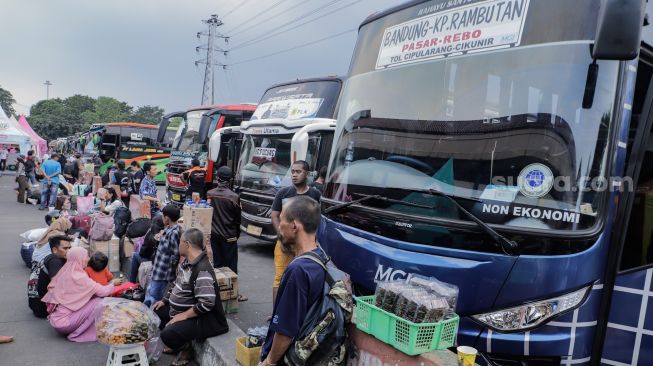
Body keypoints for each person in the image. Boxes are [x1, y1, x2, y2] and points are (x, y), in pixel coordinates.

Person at [259, 196, 326, 366]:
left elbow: (285, 331)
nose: (279, 226)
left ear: (294, 226)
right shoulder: (322, 257)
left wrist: (269, 361)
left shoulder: (298, 270)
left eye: (281, 220)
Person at [152, 228, 228, 366]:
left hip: (204, 319)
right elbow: (176, 283)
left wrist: (184, 316)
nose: (178, 245)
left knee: (167, 335)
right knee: (156, 312)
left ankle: (186, 348)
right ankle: (179, 342)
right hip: (186, 309)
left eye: (180, 242)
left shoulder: (202, 269)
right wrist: (164, 301)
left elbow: (207, 303)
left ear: (186, 244)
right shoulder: (187, 262)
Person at [270, 160, 321, 303]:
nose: (294, 175)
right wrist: (281, 235)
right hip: (284, 244)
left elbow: (318, 219)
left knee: (302, 279)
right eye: (292, 171)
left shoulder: (315, 194)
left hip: (305, 246)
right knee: (280, 278)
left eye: (298, 172)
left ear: (307, 174)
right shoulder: (283, 192)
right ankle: (277, 312)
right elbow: (274, 215)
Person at [41, 247, 118, 342]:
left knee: (93, 298)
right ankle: (77, 334)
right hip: (65, 323)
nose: (88, 258)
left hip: (57, 320)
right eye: (86, 256)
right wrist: (113, 284)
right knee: (100, 302)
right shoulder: (79, 277)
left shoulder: (64, 271)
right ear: (79, 258)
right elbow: (104, 292)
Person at [206, 166, 245, 295]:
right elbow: (238, 220)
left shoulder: (210, 194)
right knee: (231, 266)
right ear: (230, 180)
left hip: (214, 234)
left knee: (217, 264)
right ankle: (233, 294)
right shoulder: (234, 197)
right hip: (229, 236)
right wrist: (236, 234)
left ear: (218, 178)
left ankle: (217, 292)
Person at [144, 205, 181, 306]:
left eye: (162, 216)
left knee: (154, 297)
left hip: (163, 274)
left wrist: (169, 275)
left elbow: (175, 255)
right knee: (151, 292)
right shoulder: (168, 228)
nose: (161, 218)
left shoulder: (174, 233)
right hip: (157, 270)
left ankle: (151, 317)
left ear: (167, 218)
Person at [28, 235, 71, 318]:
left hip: (35, 304)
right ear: (54, 249)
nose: (69, 251)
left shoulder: (50, 257)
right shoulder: (55, 261)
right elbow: (57, 286)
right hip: (43, 309)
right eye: (65, 248)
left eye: (70, 248)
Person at [129, 215, 164, 283]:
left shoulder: (151, 235)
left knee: (136, 256)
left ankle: (132, 282)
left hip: (153, 262)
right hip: (161, 264)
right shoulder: (167, 233)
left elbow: (143, 253)